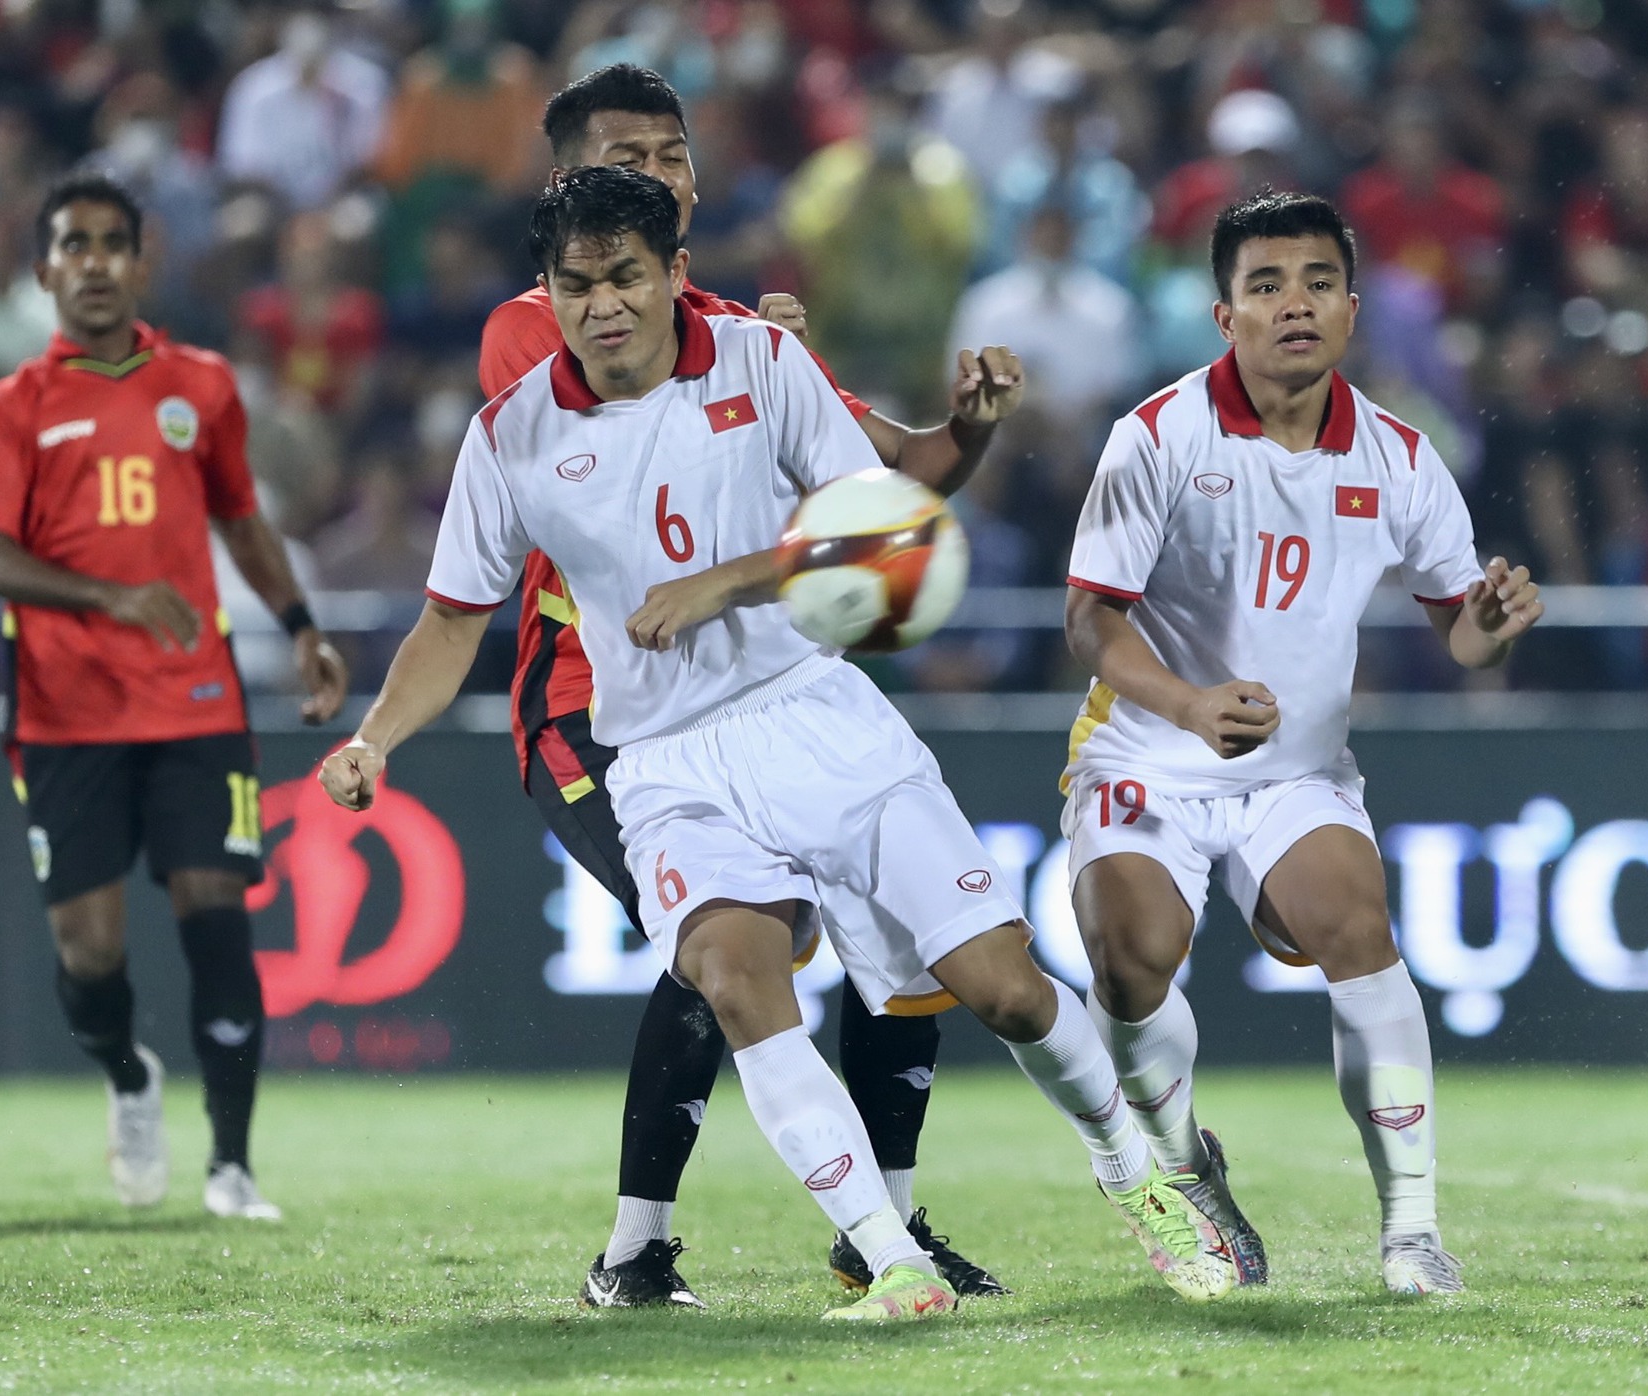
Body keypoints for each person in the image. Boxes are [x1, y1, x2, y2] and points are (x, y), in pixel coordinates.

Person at [322, 167, 1241, 1321]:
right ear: (546, 294)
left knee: (1001, 989)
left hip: (818, 718)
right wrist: (375, 738)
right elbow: (453, 619)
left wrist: (729, 580)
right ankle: (887, 1257)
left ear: (669, 277)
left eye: (624, 278)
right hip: (664, 765)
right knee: (733, 974)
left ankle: (1141, 1175)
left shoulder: (758, 360)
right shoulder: (509, 435)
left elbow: (883, 526)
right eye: (575, 284)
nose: (601, 305)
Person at [477, 64, 1021, 1309]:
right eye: (627, 154)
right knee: (724, 944)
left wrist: (969, 425)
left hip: (761, 699)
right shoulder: (539, 325)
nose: (660, 173)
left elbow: (895, 487)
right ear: (567, 188)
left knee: (894, 919)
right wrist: (734, 381)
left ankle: (873, 1228)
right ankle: (632, 1248)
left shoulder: (739, 333)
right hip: (595, 711)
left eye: (672, 153)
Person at [1062, 190, 1544, 1296]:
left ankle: (1412, 1231)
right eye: (1265, 284)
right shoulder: (1156, 436)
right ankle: (1184, 1166)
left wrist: (1490, 623)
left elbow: (1456, 629)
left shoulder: (1399, 455)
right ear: (1221, 313)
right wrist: (1187, 706)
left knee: (1354, 924)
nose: (1294, 304)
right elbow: (1089, 619)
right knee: (1129, 957)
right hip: (1144, 753)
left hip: (1294, 771)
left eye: (1317, 282)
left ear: (1351, 305)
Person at [0, 171, 349, 1220]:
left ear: (141, 262)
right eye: (72, 244)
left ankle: (232, 1165)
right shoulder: (9, 407)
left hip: (195, 700)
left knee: (215, 915)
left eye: (111, 243)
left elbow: (240, 517)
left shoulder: (203, 385)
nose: (92, 262)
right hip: (63, 713)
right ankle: (128, 1073)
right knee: (89, 955)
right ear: (44, 270)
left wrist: (301, 622)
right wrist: (110, 596)